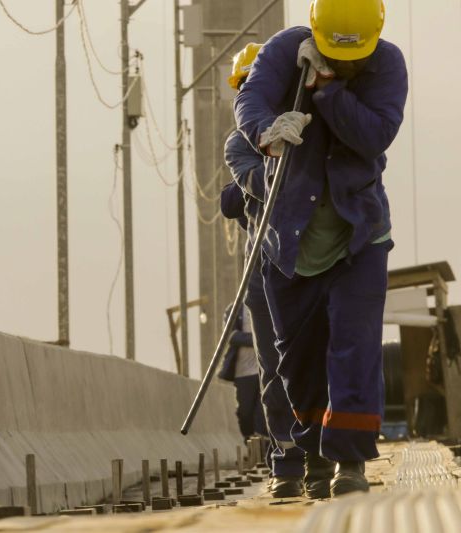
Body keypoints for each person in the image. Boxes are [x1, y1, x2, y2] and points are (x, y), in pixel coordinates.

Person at [234, 0, 407, 497]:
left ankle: (350, 462)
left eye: (355, 58)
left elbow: (374, 135)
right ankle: (311, 456)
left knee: (356, 346)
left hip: (359, 237)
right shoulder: (284, 51)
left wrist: (328, 90)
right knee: (298, 361)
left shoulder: (387, 64)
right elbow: (250, 100)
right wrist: (267, 133)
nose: (349, 64)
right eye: (338, 55)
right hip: (288, 243)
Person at [221, 42, 307, 498]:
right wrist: (279, 152)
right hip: (267, 263)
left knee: (319, 357)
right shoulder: (239, 144)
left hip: (313, 258)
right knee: (274, 366)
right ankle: (288, 459)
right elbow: (254, 188)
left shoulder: (313, 126)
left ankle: (325, 451)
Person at [217, 301, 267, 441]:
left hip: (263, 370)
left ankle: (262, 447)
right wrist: (257, 339)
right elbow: (231, 336)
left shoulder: (266, 303)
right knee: (245, 413)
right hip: (243, 373)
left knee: (263, 413)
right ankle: (248, 442)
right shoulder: (234, 309)